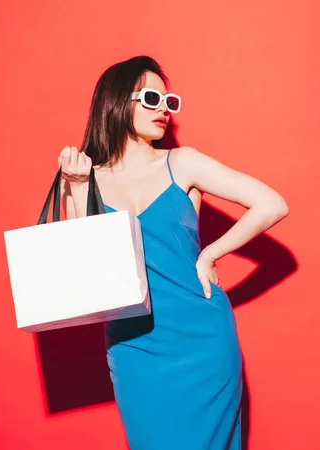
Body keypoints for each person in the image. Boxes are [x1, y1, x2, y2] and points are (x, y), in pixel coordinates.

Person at [57, 55, 289, 449]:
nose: (163, 108)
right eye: (151, 97)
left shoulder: (182, 163)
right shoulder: (84, 178)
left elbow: (272, 204)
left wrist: (209, 254)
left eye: (169, 101)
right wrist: (77, 187)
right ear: (116, 101)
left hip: (202, 338)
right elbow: (85, 265)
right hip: (135, 346)